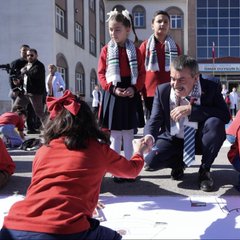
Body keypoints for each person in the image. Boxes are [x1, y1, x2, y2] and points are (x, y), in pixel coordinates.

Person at [0, 90, 149, 239]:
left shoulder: (43, 150)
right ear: (89, 121)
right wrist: (139, 152)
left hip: (13, 226)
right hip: (63, 228)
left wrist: (82, 199)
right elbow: (131, 171)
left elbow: (46, 187)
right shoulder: (98, 149)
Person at [143, 55, 230, 192]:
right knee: (150, 161)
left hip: (200, 140)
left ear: (196, 78)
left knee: (215, 124)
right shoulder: (163, 91)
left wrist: (193, 110)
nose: (175, 85)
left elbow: (225, 116)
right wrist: (148, 137)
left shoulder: (211, 86)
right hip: (174, 138)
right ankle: (178, 163)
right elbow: (154, 119)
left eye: (181, 80)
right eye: (172, 78)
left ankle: (204, 170)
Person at [97, 9, 145, 182]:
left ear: (127, 30)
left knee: (129, 133)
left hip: (130, 92)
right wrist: (112, 89)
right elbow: (101, 74)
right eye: (111, 29)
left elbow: (141, 73)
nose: (113, 33)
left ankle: (131, 168)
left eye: (117, 29)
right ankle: (117, 169)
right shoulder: (105, 50)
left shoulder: (136, 51)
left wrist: (135, 88)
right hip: (114, 92)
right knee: (116, 134)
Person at [139, 10, 182, 120]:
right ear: (152, 25)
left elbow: (181, 71)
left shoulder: (175, 48)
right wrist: (139, 89)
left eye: (166, 22)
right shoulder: (145, 46)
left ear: (169, 26)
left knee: (170, 125)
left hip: (170, 92)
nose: (162, 24)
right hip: (150, 93)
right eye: (159, 21)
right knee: (152, 125)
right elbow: (138, 70)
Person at [12, 48, 46, 132]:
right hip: (24, 92)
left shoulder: (39, 65)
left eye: (31, 55)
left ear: (36, 55)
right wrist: (18, 81)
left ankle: (50, 130)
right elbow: (24, 78)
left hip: (35, 93)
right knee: (15, 109)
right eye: (28, 55)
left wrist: (25, 71)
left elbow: (36, 75)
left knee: (39, 113)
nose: (29, 57)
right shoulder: (27, 65)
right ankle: (9, 128)